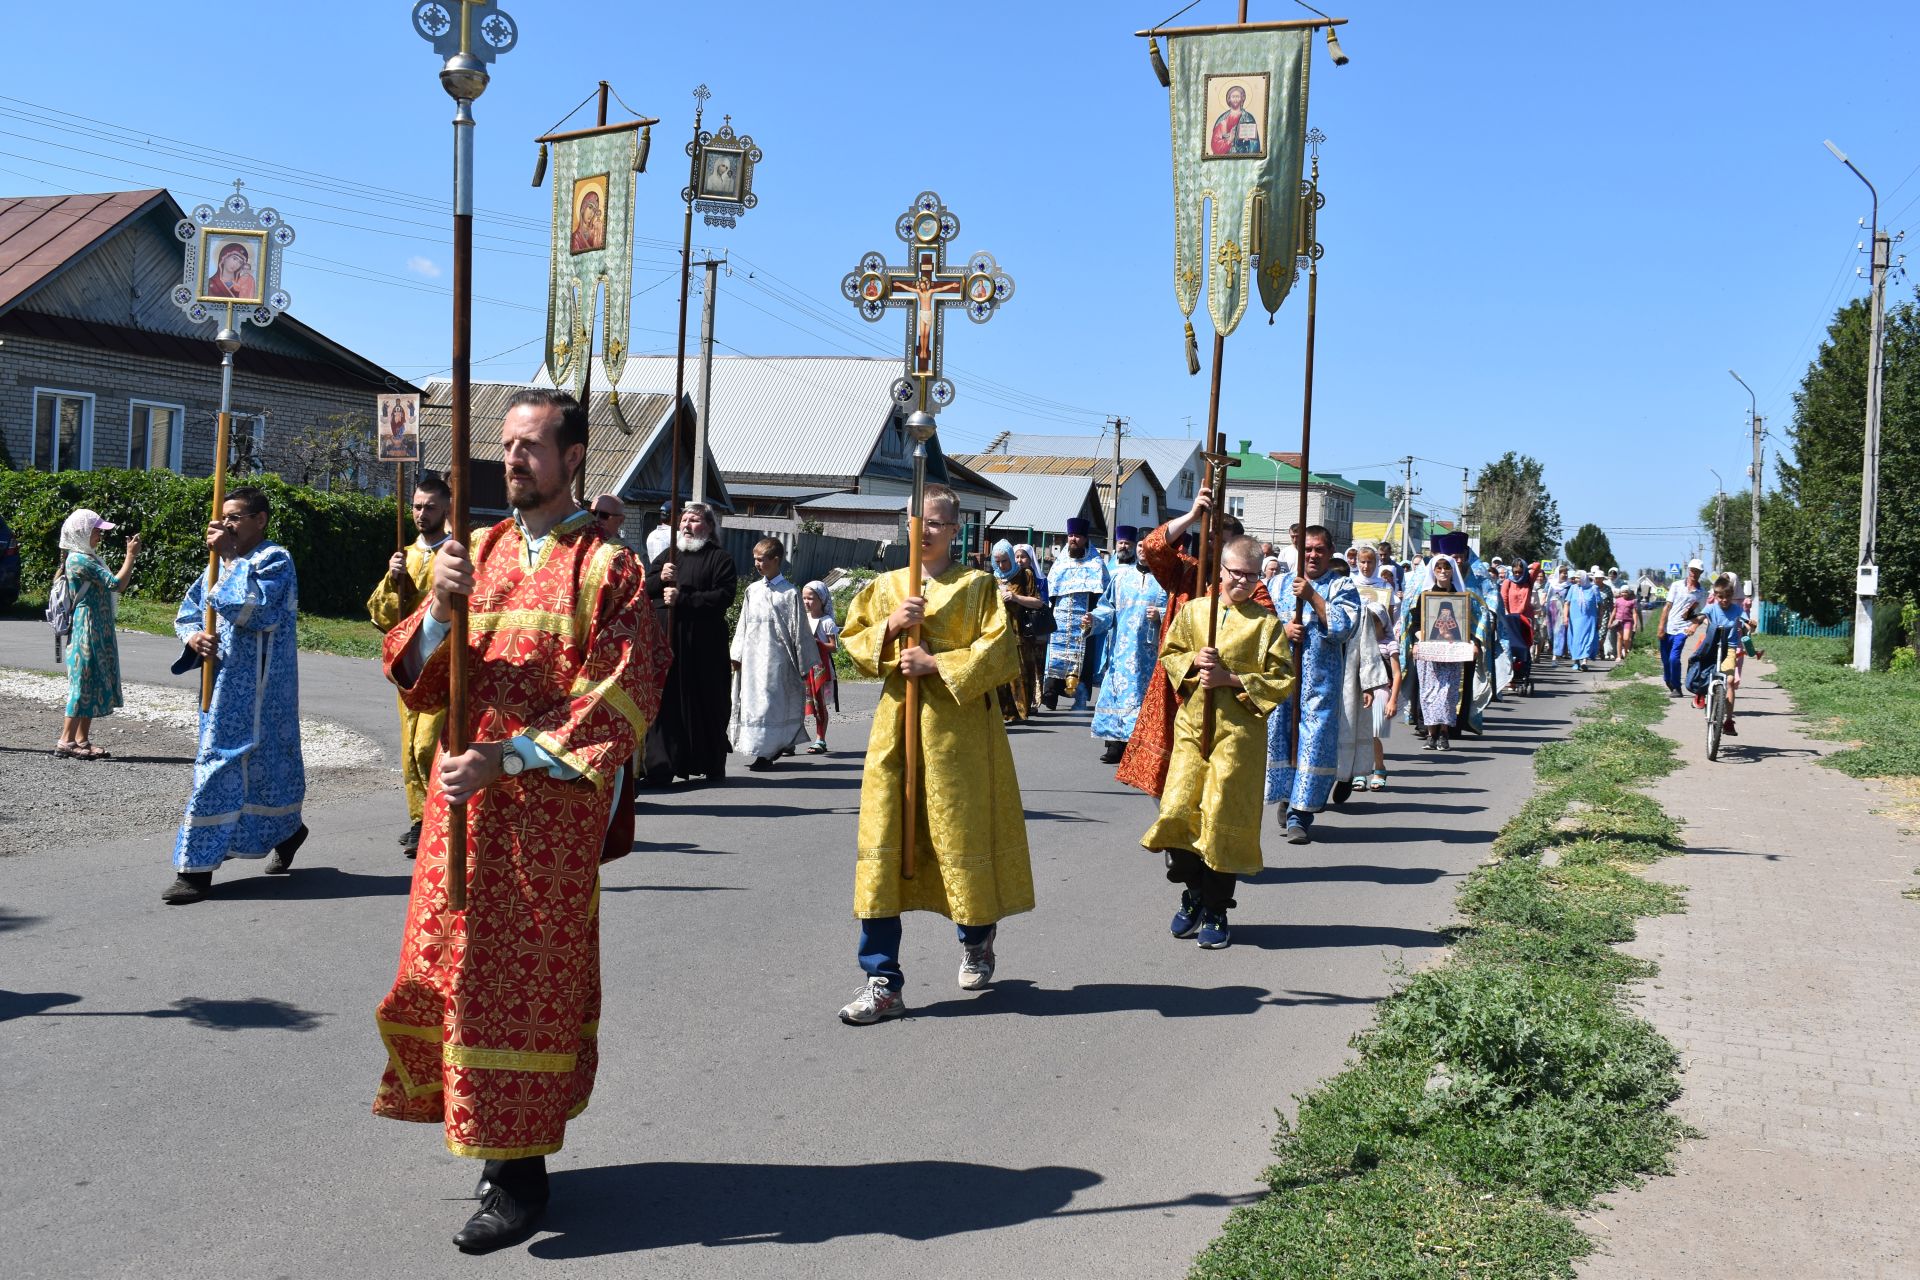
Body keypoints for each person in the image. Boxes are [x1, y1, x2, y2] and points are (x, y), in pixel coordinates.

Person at [372, 388, 670, 1254]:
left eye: (531, 446)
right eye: (505, 445)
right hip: (460, 813)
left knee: (524, 989)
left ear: (574, 458)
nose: (512, 460)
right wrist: (437, 612)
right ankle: (489, 1143)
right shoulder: (476, 550)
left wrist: (508, 757)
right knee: (456, 976)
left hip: (544, 819)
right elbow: (414, 676)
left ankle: (520, 1177)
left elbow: (620, 699)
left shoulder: (609, 569)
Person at [834, 485, 1033, 1024]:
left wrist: (937, 663)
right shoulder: (886, 587)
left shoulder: (978, 587)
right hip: (896, 732)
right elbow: (853, 644)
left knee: (957, 839)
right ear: (908, 524)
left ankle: (976, 937)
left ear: (956, 528)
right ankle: (882, 979)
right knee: (885, 844)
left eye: (941, 523)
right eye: (922, 522)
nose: (930, 531)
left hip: (959, 739)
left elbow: (1001, 654)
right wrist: (891, 627)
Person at [1141, 535, 1295, 950]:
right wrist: (1193, 661)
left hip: (1239, 734)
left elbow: (1282, 678)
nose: (1241, 582)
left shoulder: (1265, 625)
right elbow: (1170, 652)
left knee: (1222, 818)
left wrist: (1230, 678)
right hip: (1193, 728)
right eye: (1234, 574)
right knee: (1177, 809)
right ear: (1221, 571)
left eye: (1250, 575)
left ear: (1260, 574)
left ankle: (1216, 909)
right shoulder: (1195, 612)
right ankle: (1193, 892)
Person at [162, 486, 306, 904]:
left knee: (261, 766)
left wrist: (229, 559)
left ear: (260, 520)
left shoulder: (275, 559)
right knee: (222, 764)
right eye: (223, 517)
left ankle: (200, 870)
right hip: (222, 685)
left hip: (264, 690)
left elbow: (255, 611)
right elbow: (189, 609)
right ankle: (202, 865)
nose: (227, 525)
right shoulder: (217, 563)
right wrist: (193, 638)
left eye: (237, 517)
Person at [1117, 491, 1269, 798]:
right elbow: (1152, 546)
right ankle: (1174, 833)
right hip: (1177, 684)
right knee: (1168, 769)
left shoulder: (1253, 588)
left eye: (1223, 542)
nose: (1214, 546)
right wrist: (1191, 514)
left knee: (1211, 778)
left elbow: (1266, 634)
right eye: (1210, 538)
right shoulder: (1187, 571)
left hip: (1221, 691)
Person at [366, 475, 452, 856]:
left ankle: (441, 818)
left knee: (427, 746)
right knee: (408, 749)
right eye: (416, 506)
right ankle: (420, 819)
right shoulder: (407, 555)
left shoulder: (456, 553)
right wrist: (393, 579)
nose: (421, 513)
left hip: (442, 663)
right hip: (409, 664)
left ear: (446, 508)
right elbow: (383, 615)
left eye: (430, 507)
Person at [1264, 525, 1360, 844]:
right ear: (1298, 550)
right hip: (1282, 680)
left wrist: (1313, 596)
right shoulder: (1277, 584)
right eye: (1307, 549)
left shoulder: (1342, 585)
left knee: (1314, 743)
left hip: (1320, 683)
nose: (1313, 555)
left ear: (1330, 552)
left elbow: (1344, 627)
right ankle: (1286, 796)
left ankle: (1300, 815)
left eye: (1319, 549)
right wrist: (1282, 631)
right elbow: (1256, 625)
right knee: (1282, 737)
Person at [642, 501, 738, 785]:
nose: (686, 525)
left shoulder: (720, 559)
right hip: (668, 642)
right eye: (683, 520)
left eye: (694, 520)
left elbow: (724, 596)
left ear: (708, 526)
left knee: (706, 703)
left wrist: (683, 599)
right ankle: (661, 766)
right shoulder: (668, 557)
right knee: (665, 703)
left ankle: (708, 760)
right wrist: (661, 578)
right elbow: (644, 587)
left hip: (703, 646)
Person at [54, 509, 139, 759]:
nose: (100, 536)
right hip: (87, 627)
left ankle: (81, 739)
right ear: (81, 532)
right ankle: (65, 740)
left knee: (90, 681)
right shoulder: (80, 560)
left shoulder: (86, 557)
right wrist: (130, 556)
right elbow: (116, 584)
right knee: (82, 682)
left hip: (97, 625)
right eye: (96, 531)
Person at [728, 537, 814, 770]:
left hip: (778, 660)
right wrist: (736, 653)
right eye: (755, 559)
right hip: (753, 659)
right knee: (753, 703)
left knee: (771, 704)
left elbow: (800, 631)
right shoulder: (751, 590)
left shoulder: (790, 593)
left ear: (776, 561)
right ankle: (763, 747)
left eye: (761, 560)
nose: (757, 564)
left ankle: (766, 753)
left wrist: (804, 663)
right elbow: (743, 624)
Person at [1089, 525, 1170, 764]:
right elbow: (1107, 609)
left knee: (1143, 698)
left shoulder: (1165, 580)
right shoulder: (1120, 577)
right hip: (1121, 650)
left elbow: (1180, 612)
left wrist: (1162, 614)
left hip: (1150, 652)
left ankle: (1139, 747)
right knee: (1116, 694)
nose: (1143, 551)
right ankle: (1115, 745)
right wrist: (1093, 619)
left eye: (1148, 546)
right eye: (1141, 546)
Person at [1400, 553, 1486, 751]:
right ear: (1433, 571)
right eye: (1438, 569)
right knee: (1429, 694)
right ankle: (1431, 734)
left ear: (1452, 571)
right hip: (1430, 652)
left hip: (1452, 652)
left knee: (1447, 694)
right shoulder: (1425, 596)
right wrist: (1419, 634)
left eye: (1446, 568)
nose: (1443, 572)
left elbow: (1466, 626)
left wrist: (1473, 642)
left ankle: (1444, 734)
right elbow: (1415, 623)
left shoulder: (1461, 597)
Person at [1042, 518, 1111, 711]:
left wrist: (1095, 616)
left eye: (1077, 536)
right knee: (1056, 654)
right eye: (1071, 535)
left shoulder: (1096, 564)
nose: (1073, 539)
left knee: (1082, 658)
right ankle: (1051, 692)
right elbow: (1052, 590)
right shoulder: (1060, 562)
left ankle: (1080, 696)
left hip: (1084, 617)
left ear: (1085, 538)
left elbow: (1102, 593)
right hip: (1060, 617)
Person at [1009, 543, 1050, 716]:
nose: (1019, 560)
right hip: (1017, 629)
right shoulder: (1011, 576)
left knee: (1035, 665)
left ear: (1030, 558)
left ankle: (1034, 700)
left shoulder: (1038, 578)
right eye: (1016, 557)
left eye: (1023, 557)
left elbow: (1042, 602)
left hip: (1034, 627)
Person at [1658, 559, 1707, 695]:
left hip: (1683, 629)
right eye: (1692, 570)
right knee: (1665, 659)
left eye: (1697, 571)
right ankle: (1668, 680)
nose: (1694, 573)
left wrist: (1694, 626)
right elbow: (1667, 606)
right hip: (1669, 627)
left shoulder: (1701, 592)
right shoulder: (1676, 585)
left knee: (1674, 658)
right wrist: (1661, 627)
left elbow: (1703, 613)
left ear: (1701, 573)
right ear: (1688, 570)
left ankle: (1677, 687)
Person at [801, 580, 838, 753]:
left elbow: (834, 647)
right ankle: (789, 740)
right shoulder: (802, 618)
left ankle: (820, 739)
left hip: (820, 668)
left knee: (819, 703)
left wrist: (818, 644)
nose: (807, 602)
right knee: (798, 703)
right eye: (804, 598)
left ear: (821, 599)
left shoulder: (826, 622)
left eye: (811, 598)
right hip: (804, 666)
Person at [1565, 568, 1604, 672]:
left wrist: (1600, 620)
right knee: (1575, 640)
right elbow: (1567, 603)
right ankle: (1576, 661)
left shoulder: (1593, 588)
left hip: (1589, 620)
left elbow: (1600, 606)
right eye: (1575, 578)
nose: (1576, 580)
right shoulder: (1573, 588)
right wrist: (1565, 617)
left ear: (1584, 578)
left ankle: (1584, 662)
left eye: (1578, 578)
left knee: (1587, 640)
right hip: (1575, 620)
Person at [1210, 83, 1261, 156]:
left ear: (1242, 99)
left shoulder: (1248, 118)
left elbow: (1254, 144)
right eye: (1233, 97)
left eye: (1238, 97)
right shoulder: (1222, 119)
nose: (1235, 99)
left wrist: (1247, 142)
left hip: (1242, 157)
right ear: (1229, 99)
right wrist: (1229, 140)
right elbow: (1215, 144)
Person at [1611, 572, 1638, 658]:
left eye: (1626, 592)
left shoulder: (1632, 601)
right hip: (1618, 621)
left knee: (1626, 638)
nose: (1624, 594)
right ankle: (1618, 656)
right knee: (1619, 638)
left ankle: (1625, 650)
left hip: (1628, 621)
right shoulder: (1618, 600)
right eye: (1622, 592)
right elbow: (1614, 612)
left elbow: (1634, 613)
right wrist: (1610, 621)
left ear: (1629, 592)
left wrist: (1636, 623)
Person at [569, 189, 604, 253]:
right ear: (583, 207)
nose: (591, 213)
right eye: (590, 207)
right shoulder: (575, 237)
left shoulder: (596, 230)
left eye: (594, 210)